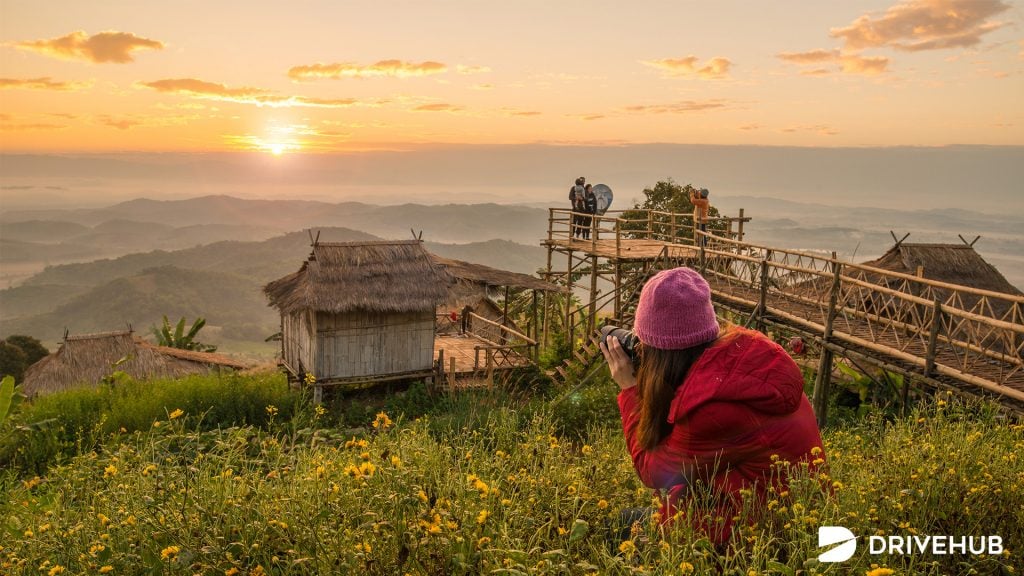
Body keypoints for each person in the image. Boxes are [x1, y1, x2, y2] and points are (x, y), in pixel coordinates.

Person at [599, 267, 825, 545]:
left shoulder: (714, 411)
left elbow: (652, 471)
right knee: (632, 519)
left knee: (619, 527)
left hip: (757, 539)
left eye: (644, 345)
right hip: (789, 515)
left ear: (660, 355)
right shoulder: (748, 357)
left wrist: (631, 389)